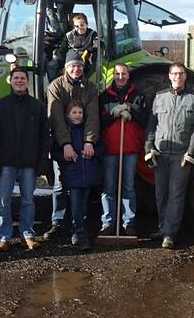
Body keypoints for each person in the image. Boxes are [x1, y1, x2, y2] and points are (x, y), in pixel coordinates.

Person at [0, 68, 50, 252]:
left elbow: (44, 136)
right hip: (6, 162)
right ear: (10, 80)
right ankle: (4, 236)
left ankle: (27, 234)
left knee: (28, 200)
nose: (19, 81)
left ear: (27, 81)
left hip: (29, 162)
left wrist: (42, 160)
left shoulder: (38, 106)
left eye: (23, 78)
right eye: (16, 78)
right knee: (3, 201)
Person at [144, 62, 194, 249]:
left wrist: (190, 153)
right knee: (161, 194)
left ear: (185, 77)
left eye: (181, 74)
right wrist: (148, 148)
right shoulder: (160, 97)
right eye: (174, 74)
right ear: (169, 76)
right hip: (160, 153)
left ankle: (170, 234)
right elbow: (152, 125)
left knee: (176, 195)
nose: (178, 77)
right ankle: (162, 227)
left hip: (181, 155)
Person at [44, 50, 100, 240]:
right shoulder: (55, 86)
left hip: (83, 141)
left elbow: (93, 116)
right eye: (72, 66)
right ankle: (57, 222)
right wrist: (65, 144)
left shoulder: (90, 88)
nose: (76, 69)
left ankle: (79, 224)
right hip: (63, 142)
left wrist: (89, 141)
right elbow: (56, 117)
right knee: (60, 184)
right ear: (66, 68)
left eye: (79, 66)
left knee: (82, 184)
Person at [99, 63, 148, 236]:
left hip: (130, 148)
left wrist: (130, 109)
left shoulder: (138, 95)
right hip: (110, 148)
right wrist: (114, 113)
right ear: (114, 75)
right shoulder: (104, 96)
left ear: (128, 75)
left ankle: (129, 223)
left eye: (124, 74)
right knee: (109, 187)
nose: (121, 77)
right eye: (118, 74)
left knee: (128, 187)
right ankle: (108, 223)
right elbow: (100, 122)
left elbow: (144, 119)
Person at [52, 101, 103, 250]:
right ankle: (80, 232)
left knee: (84, 204)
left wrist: (93, 152)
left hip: (87, 175)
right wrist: (65, 157)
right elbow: (55, 151)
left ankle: (76, 229)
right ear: (68, 115)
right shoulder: (65, 132)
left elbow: (101, 146)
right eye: (74, 112)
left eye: (80, 112)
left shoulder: (89, 132)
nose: (77, 115)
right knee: (75, 204)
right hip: (72, 175)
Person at [51, 13, 98, 79]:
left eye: (82, 25)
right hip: (72, 59)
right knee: (53, 65)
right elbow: (62, 50)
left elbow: (97, 45)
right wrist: (63, 66)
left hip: (87, 59)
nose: (80, 28)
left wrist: (88, 51)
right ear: (73, 27)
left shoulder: (93, 34)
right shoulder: (69, 35)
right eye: (77, 26)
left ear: (86, 25)